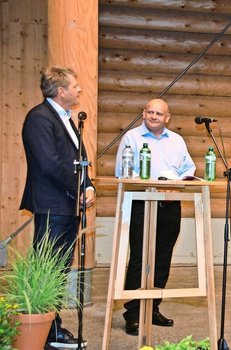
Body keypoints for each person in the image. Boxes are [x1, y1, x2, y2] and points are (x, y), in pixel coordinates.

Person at [20, 66, 94, 349]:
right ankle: (47, 331)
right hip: (53, 205)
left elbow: (78, 160)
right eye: (75, 86)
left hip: (68, 204)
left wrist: (88, 186)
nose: (78, 90)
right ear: (61, 90)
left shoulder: (67, 118)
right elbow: (50, 164)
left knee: (61, 267)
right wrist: (76, 190)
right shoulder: (39, 118)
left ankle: (52, 328)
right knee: (48, 269)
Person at [115, 98, 196, 336]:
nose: (153, 116)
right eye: (150, 112)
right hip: (142, 204)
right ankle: (133, 314)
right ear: (143, 113)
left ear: (167, 118)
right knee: (140, 259)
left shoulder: (177, 141)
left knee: (162, 259)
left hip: (170, 205)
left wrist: (179, 182)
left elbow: (188, 168)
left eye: (158, 113)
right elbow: (122, 170)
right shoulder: (132, 138)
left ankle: (153, 308)